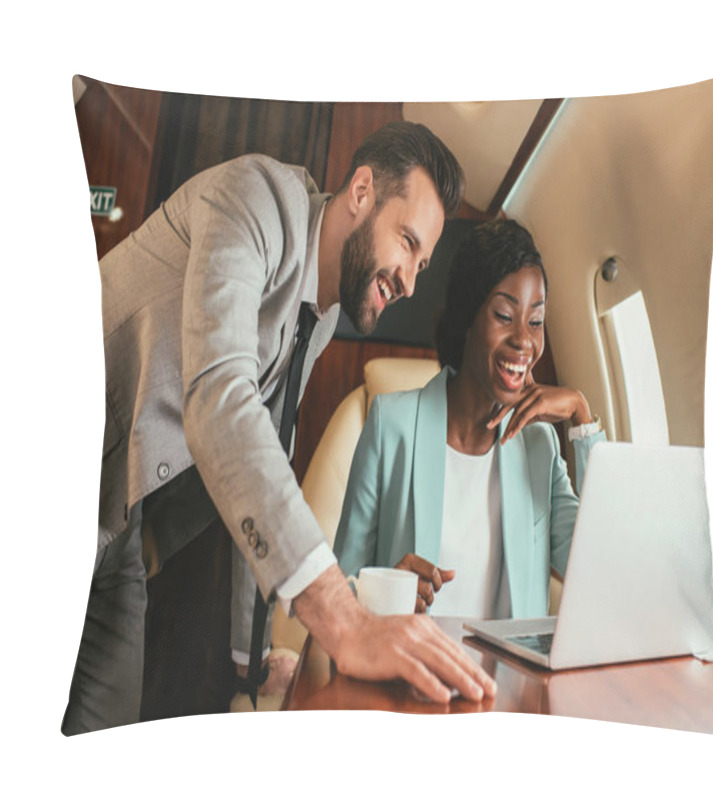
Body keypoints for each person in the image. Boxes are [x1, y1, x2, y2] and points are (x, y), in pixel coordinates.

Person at [62, 122, 497, 735]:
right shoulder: (252, 199)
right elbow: (219, 399)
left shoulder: (318, 319)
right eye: (407, 243)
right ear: (363, 191)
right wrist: (341, 621)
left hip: (118, 526)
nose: (409, 281)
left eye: (422, 264)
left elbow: (261, 466)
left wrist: (251, 661)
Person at [334, 219, 605, 618]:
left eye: (535, 321)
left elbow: (596, 570)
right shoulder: (391, 425)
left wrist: (582, 418)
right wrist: (388, 595)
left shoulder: (539, 447)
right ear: (466, 318)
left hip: (510, 682)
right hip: (412, 677)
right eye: (503, 315)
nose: (524, 341)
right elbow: (338, 592)